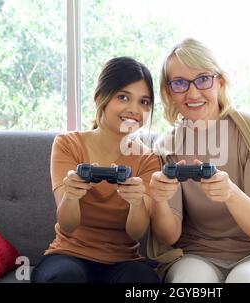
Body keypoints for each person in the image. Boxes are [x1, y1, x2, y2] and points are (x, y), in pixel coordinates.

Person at [148, 38, 250, 283]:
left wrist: (230, 193)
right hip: (196, 255)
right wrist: (159, 200)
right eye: (180, 83)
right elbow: (169, 236)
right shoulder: (167, 146)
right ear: (169, 91)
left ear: (221, 82)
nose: (192, 92)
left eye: (203, 79)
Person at [31, 57, 160, 283]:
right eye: (123, 97)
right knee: (65, 278)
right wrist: (71, 196)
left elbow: (135, 233)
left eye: (144, 102)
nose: (134, 109)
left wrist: (137, 202)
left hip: (123, 262)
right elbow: (68, 225)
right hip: (68, 255)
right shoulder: (68, 144)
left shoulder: (148, 159)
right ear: (102, 97)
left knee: (143, 282)